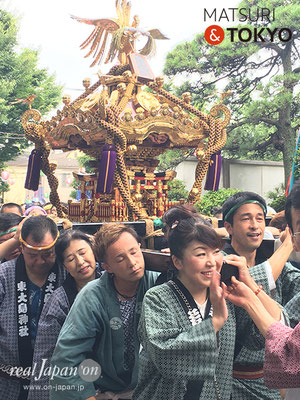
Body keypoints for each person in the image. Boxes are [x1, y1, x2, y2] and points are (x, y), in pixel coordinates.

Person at [132, 213, 282, 400]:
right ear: (178, 261)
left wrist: (250, 288)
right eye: (201, 254)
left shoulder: (227, 295)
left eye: (216, 251)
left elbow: (257, 340)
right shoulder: (157, 298)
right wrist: (216, 322)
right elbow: (165, 357)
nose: (212, 261)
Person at [50, 223, 159, 400]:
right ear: (107, 267)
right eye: (120, 259)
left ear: (140, 247)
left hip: (151, 390)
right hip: (104, 391)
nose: (132, 263)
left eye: (133, 252)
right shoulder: (92, 295)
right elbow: (67, 358)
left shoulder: (157, 282)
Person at [222, 191, 300, 400]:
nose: (255, 225)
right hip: (232, 381)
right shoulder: (220, 262)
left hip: (271, 380)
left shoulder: (276, 266)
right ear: (228, 227)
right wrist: (289, 243)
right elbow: (250, 279)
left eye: (259, 218)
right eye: (246, 218)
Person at [28, 230, 103, 400]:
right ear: (64, 266)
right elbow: (45, 356)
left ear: (93, 250)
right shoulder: (59, 301)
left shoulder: (114, 283)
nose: (80, 262)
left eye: (83, 253)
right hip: (77, 386)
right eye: (70, 259)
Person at [0, 216, 66, 400]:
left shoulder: (67, 271)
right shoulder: (4, 274)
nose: (40, 261)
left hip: (54, 382)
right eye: (32, 255)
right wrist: (13, 239)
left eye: (47, 254)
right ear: (21, 248)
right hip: (7, 383)